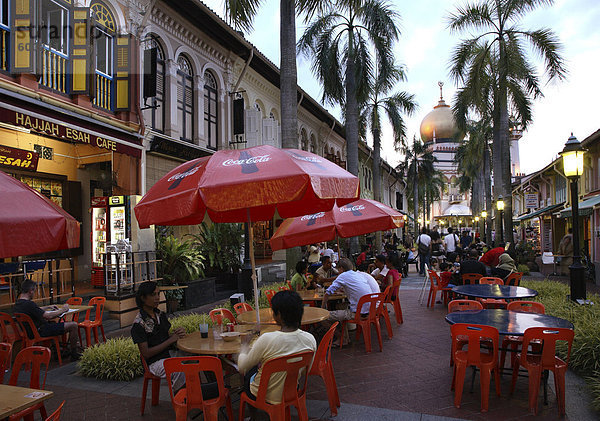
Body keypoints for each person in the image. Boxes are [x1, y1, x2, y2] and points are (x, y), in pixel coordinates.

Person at [238, 290, 316, 404]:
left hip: (261, 395)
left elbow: (242, 367)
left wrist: (244, 347)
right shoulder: (310, 339)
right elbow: (305, 371)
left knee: (250, 372)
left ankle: (254, 415)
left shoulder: (266, 339)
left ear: (278, 314)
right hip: (292, 391)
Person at [131, 281, 187, 391]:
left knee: (199, 358)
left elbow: (164, 336)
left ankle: (210, 391)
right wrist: (170, 340)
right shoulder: (139, 324)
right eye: (153, 295)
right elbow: (146, 353)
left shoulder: (159, 315)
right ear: (143, 298)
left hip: (168, 354)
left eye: (158, 294)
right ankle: (182, 401)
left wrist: (176, 334)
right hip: (154, 363)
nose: (157, 298)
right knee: (179, 369)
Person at [14, 280, 81, 360]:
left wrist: (47, 307)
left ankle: (57, 351)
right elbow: (47, 316)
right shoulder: (29, 304)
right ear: (30, 291)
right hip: (40, 331)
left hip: (29, 331)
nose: (34, 293)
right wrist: (63, 309)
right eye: (34, 291)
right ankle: (74, 353)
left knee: (53, 322)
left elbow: (35, 310)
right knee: (73, 325)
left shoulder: (18, 304)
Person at [322, 258, 375, 345]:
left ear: (341, 269)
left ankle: (341, 338)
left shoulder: (343, 276)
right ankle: (345, 337)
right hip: (369, 311)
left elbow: (328, 292)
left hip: (357, 313)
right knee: (340, 307)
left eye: (338, 269)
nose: (338, 272)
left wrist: (323, 307)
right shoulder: (358, 275)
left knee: (323, 317)